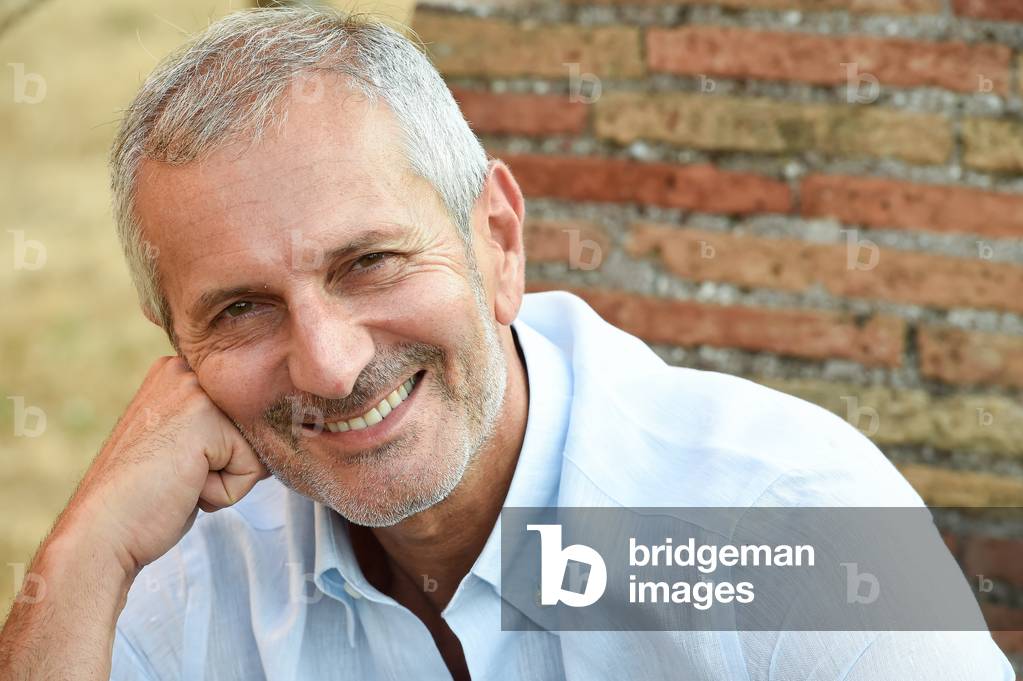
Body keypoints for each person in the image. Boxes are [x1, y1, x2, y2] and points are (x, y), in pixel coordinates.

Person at [0, 7, 1013, 680]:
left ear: (498, 241)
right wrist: (87, 553)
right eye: (241, 311)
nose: (331, 364)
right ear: (172, 346)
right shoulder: (181, 564)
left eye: (370, 263)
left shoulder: (795, 518)